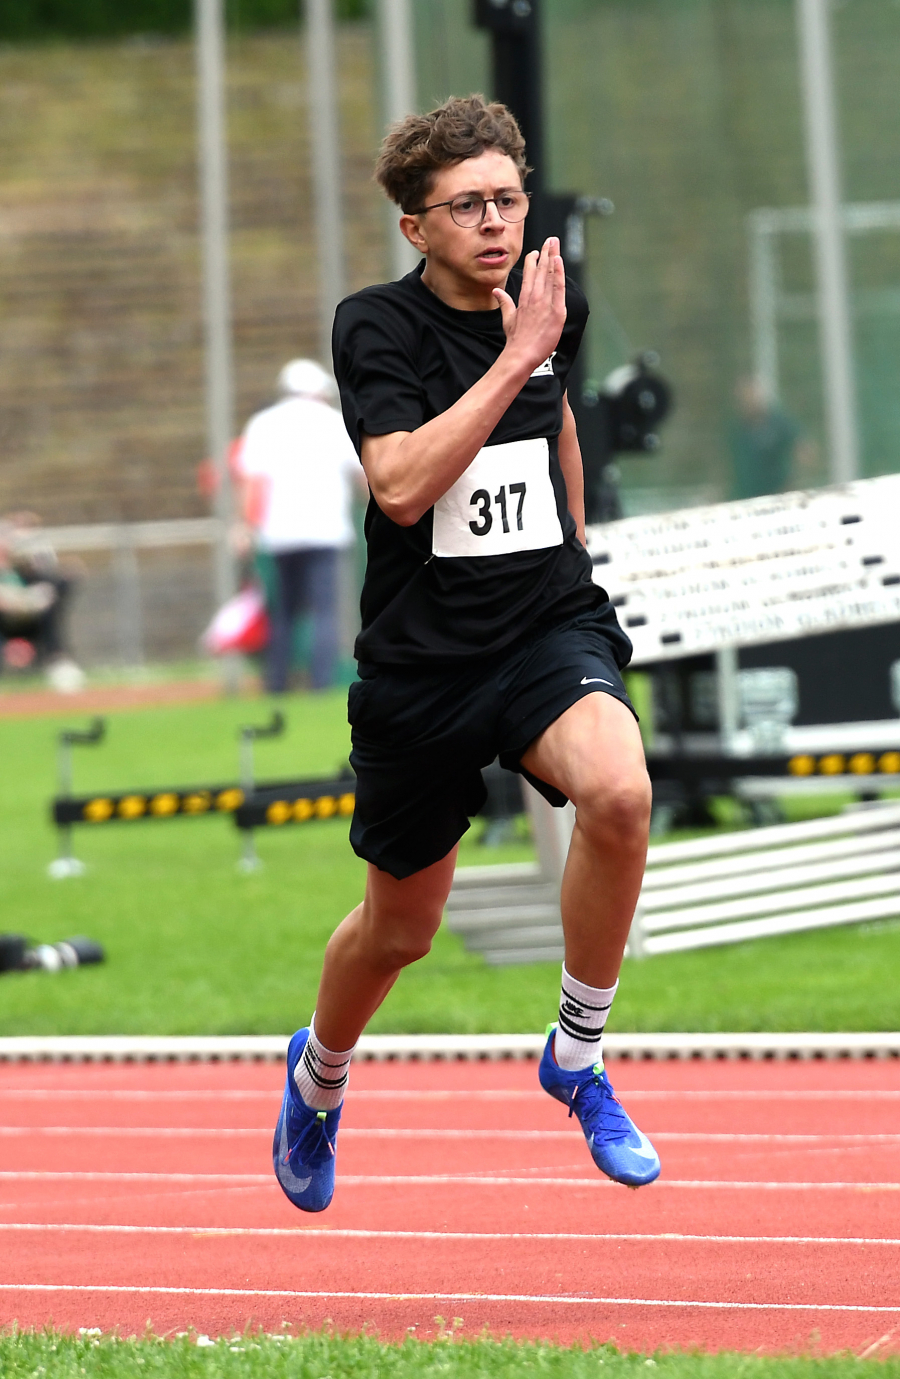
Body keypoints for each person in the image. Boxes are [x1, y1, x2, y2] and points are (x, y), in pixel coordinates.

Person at [272, 94, 660, 1213]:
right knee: (401, 929)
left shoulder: (547, 307)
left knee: (620, 794)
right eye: (467, 206)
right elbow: (399, 486)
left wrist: (573, 543)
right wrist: (515, 353)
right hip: (424, 663)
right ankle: (319, 1075)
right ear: (417, 227)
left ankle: (578, 1052)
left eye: (507, 199)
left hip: (543, 625)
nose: (495, 223)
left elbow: (556, 418)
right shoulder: (375, 327)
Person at [238, 359, 362, 692]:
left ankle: (277, 682)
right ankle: (320, 683)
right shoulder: (334, 422)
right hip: (325, 532)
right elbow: (362, 476)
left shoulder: (263, 424)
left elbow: (252, 483)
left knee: (283, 612)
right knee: (324, 611)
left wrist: (245, 527)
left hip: (279, 534)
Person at [728, 376, 816, 500]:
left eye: (751, 394)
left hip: (776, 496)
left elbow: (803, 446)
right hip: (746, 497)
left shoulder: (777, 423)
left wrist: (801, 466)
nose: (747, 400)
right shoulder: (736, 429)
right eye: (743, 397)